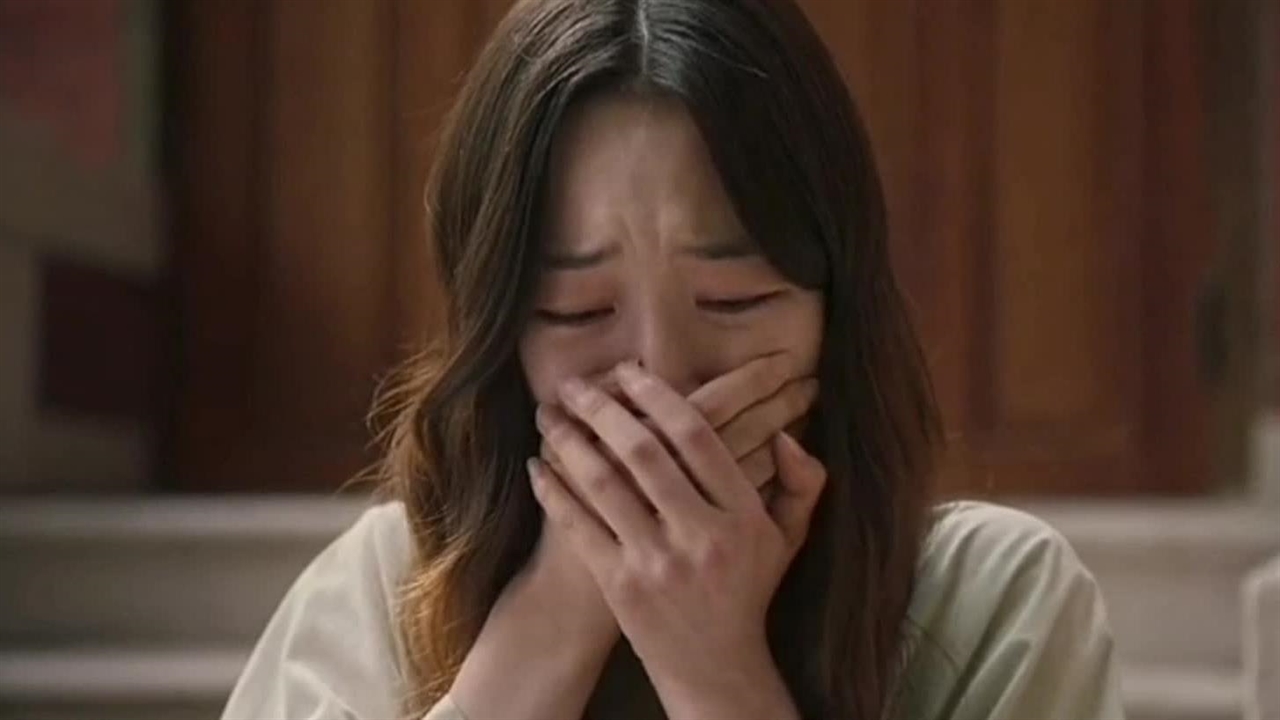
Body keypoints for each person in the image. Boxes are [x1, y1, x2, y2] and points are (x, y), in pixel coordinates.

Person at [222, 0, 1126, 718]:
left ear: (835, 310)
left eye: (734, 300)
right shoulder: (383, 592)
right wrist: (546, 628)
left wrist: (714, 667)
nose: (658, 375)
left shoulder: (990, 604)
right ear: (499, 337)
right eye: (577, 311)